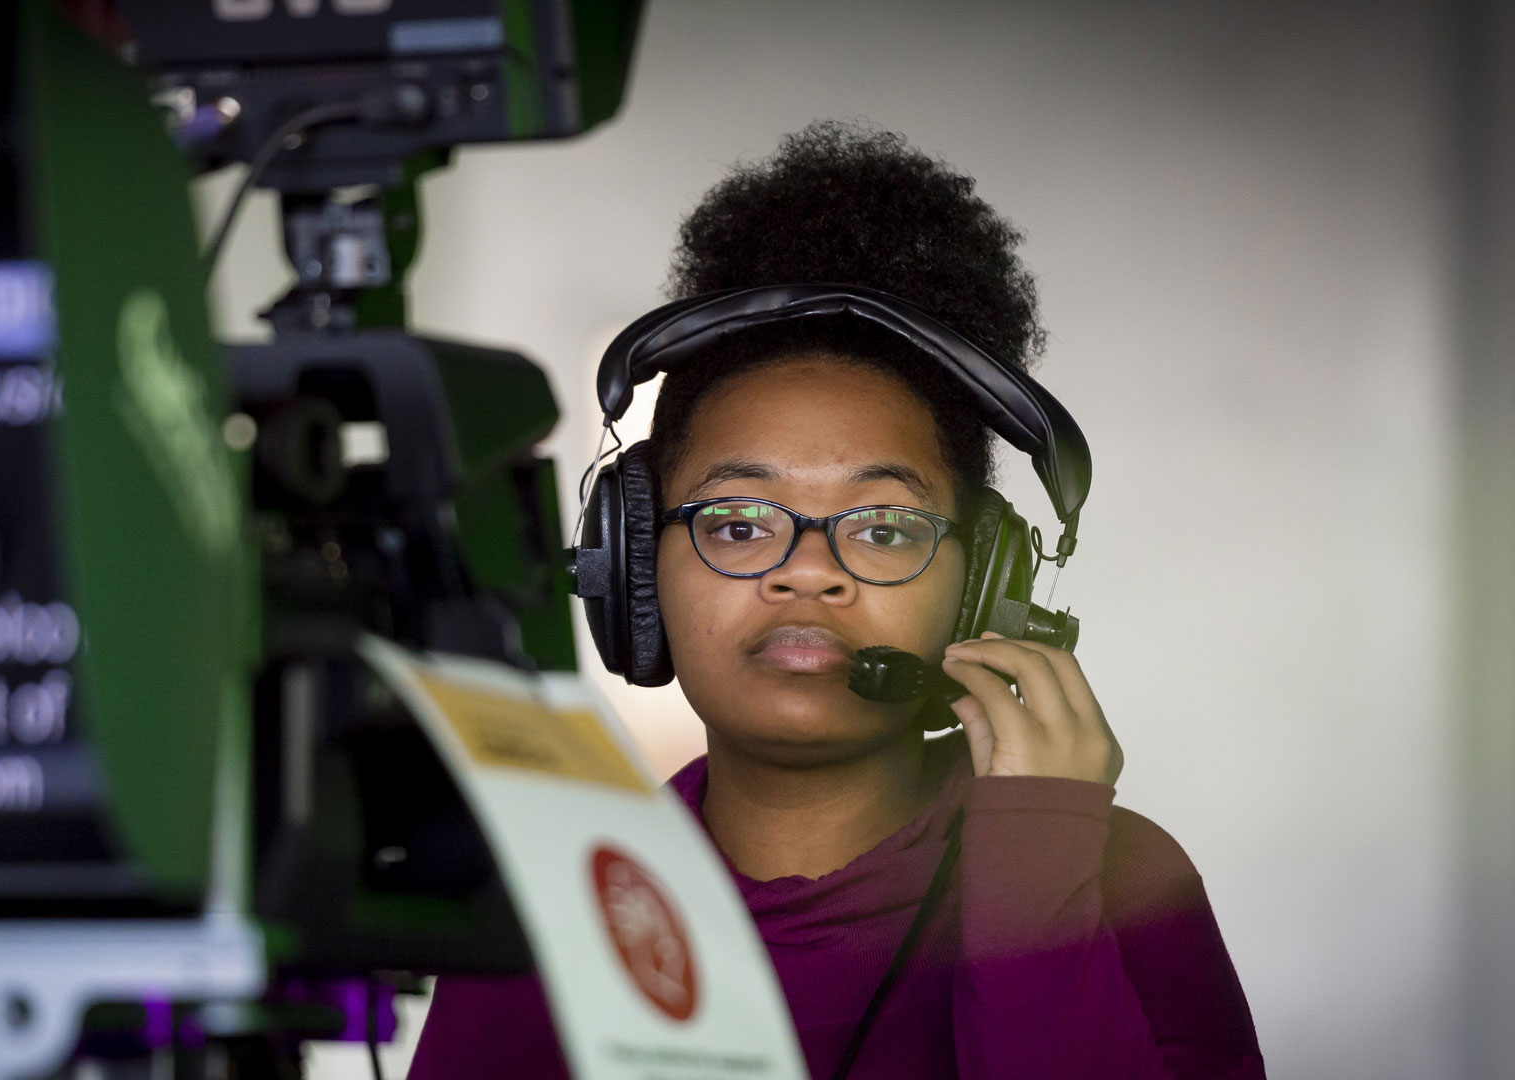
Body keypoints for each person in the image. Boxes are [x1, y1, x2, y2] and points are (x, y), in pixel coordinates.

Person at [407, 121, 1264, 1080]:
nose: (807, 572)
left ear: (986, 587)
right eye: (736, 523)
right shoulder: (547, 910)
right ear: (632, 563)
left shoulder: (1122, 879)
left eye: (883, 528)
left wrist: (1036, 861)